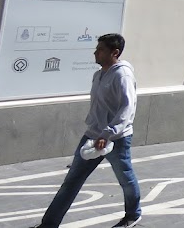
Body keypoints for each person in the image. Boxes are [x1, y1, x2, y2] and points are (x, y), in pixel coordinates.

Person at [33, 34, 141, 228]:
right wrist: (96, 131)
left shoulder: (122, 75)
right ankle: (48, 224)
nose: (95, 52)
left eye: (100, 49)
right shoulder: (98, 74)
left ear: (114, 52)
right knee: (72, 180)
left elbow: (127, 107)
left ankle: (133, 214)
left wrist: (108, 133)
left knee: (125, 178)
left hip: (115, 138)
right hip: (93, 135)